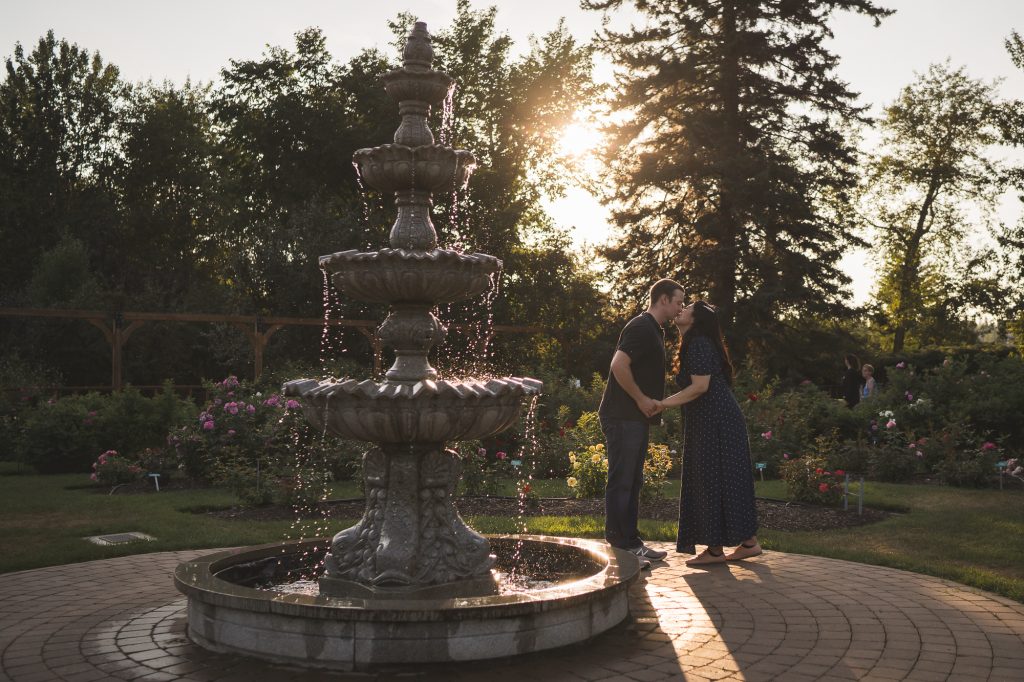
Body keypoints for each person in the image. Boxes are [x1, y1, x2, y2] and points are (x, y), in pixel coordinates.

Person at [655, 300, 760, 566]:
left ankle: (716, 550)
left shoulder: (699, 343)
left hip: (717, 422)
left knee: (711, 479)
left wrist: (663, 404)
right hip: (714, 419)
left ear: (696, 319)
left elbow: (700, 387)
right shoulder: (694, 342)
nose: (681, 309)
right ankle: (748, 543)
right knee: (725, 479)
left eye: (687, 307)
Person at [598, 278, 685, 563]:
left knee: (632, 480)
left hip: (633, 418)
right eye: (678, 302)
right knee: (623, 480)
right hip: (623, 416)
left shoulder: (654, 330)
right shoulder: (640, 327)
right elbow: (618, 365)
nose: (680, 308)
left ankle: (630, 543)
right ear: (662, 300)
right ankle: (620, 548)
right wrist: (640, 399)